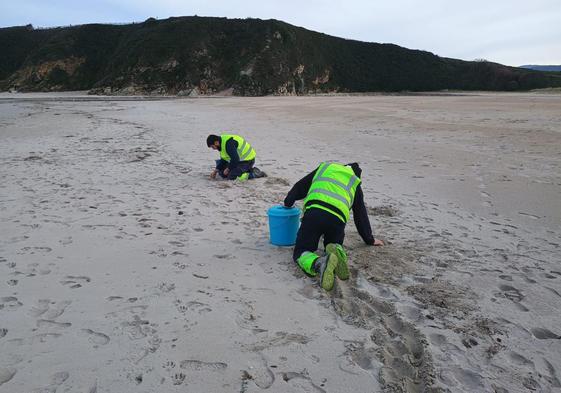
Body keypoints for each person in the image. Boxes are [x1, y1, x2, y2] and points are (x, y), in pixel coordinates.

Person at [283, 162, 384, 291]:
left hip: (314, 213)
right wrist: (369, 239)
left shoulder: (326, 168)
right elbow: (360, 214)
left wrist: (288, 202)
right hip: (337, 220)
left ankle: (320, 264)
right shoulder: (354, 181)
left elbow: (301, 186)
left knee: (301, 251)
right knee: (333, 242)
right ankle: (336, 249)